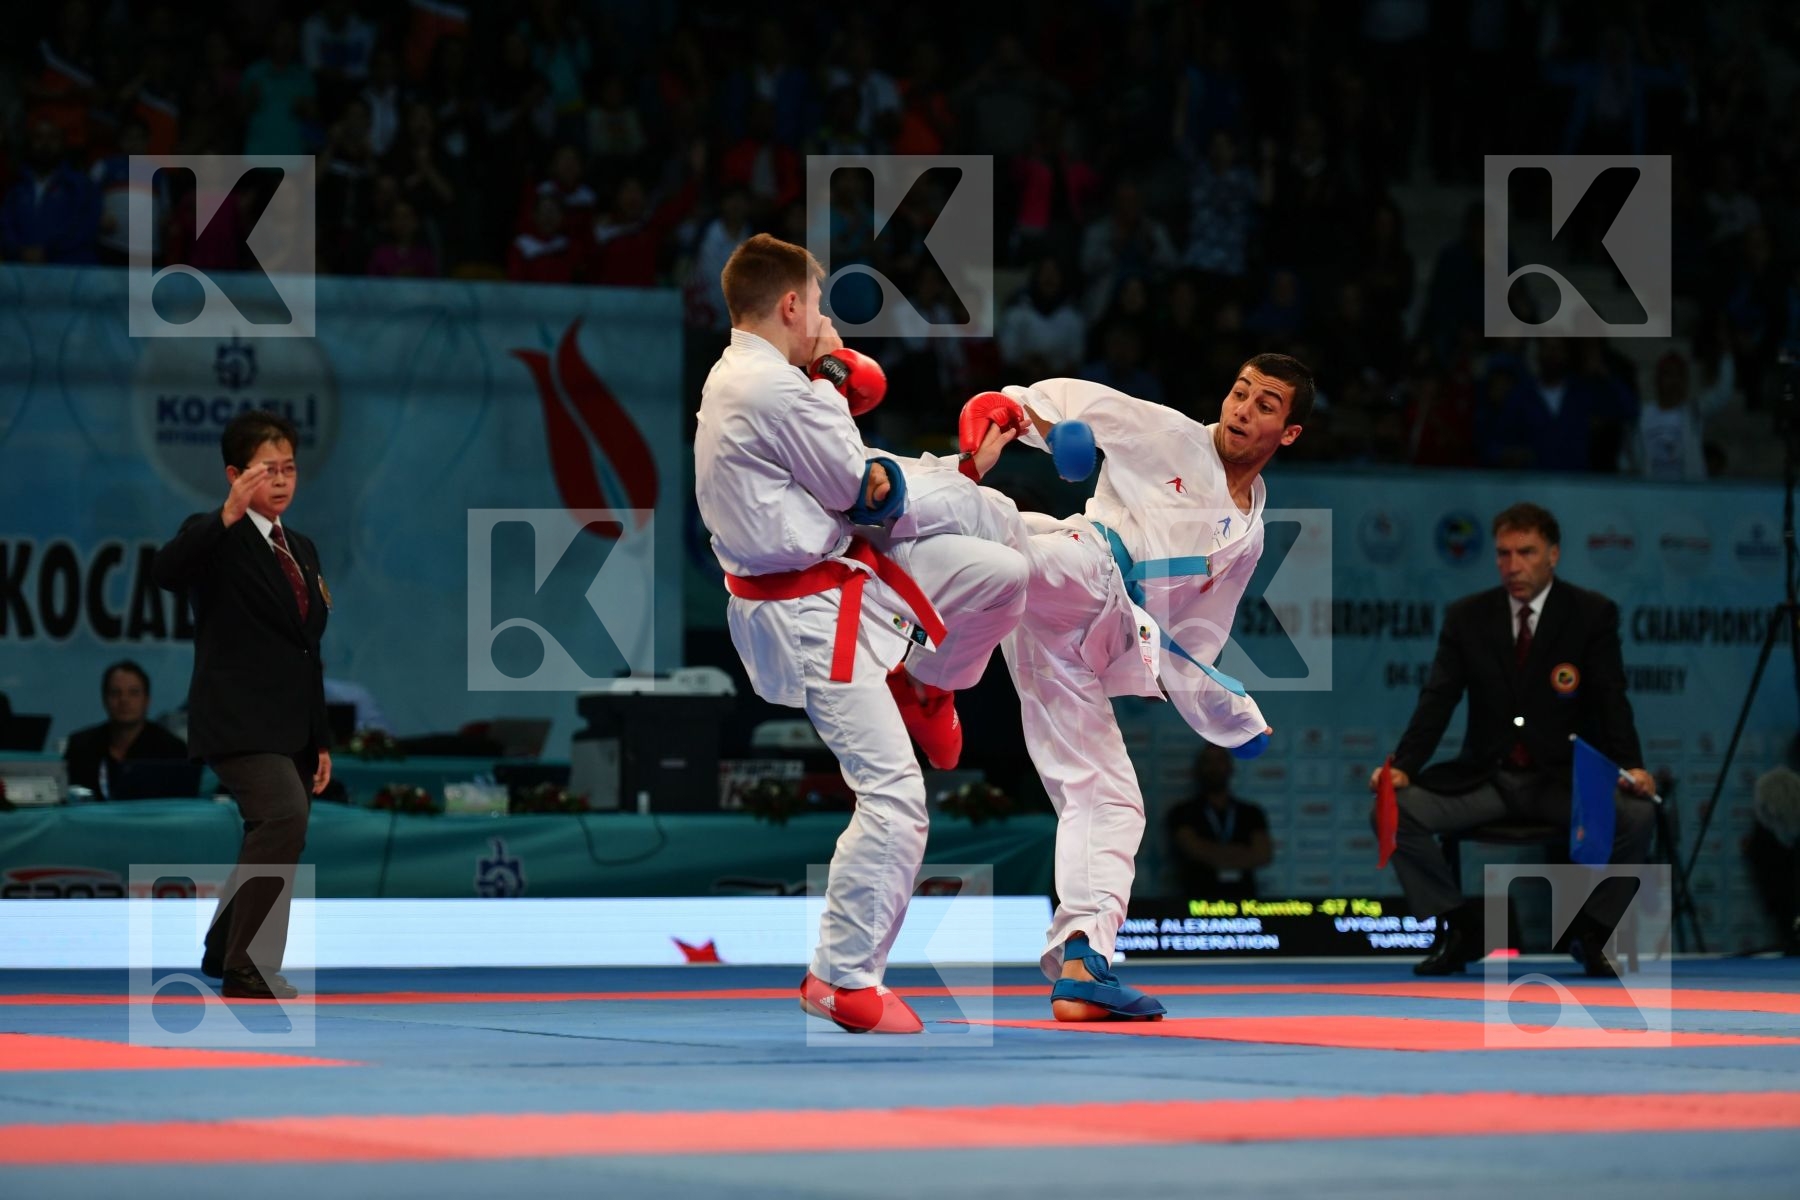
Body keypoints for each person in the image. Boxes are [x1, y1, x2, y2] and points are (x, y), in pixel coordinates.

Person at [695, 234, 1029, 1035]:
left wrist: (957, 470)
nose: (826, 322)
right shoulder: (782, 390)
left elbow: (860, 490)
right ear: (792, 305)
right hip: (813, 612)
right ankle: (841, 979)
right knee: (896, 797)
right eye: (819, 305)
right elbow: (872, 498)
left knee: (1002, 574)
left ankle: (929, 684)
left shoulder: (747, 377)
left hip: (841, 579)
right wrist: (836, 381)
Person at [974, 353, 1310, 1020]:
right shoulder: (1168, 433)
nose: (1243, 409)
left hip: (1080, 648)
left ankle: (1083, 962)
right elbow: (1024, 401)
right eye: (1240, 391)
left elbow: (1195, 643)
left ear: (1289, 432)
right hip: (1088, 564)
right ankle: (879, 513)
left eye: (1265, 404)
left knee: (1110, 799)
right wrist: (1057, 434)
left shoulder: (1247, 538)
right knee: (1012, 553)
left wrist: (1231, 716)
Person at [1371, 502, 1656, 978]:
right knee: (1393, 808)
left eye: (1526, 552)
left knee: (1638, 814)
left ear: (1553, 555)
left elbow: (1612, 698)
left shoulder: (1590, 614)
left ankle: (1592, 931)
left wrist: (1633, 766)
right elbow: (1438, 698)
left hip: (1561, 782)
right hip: (1487, 778)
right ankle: (1464, 927)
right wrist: (1404, 765)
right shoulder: (1467, 617)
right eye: (1504, 554)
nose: (1513, 565)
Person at [151, 411, 333, 1001]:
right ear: (234, 475)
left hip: (291, 725)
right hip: (236, 720)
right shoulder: (216, 535)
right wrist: (226, 514)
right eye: (265, 470)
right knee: (282, 817)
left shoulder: (301, 547)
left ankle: (224, 943)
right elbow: (166, 571)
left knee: (284, 829)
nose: (280, 481)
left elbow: (308, 651)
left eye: (289, 469)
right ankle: (247, 965)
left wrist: (320, 737)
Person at [1165, 743, 1272, 900]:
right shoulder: (1182, 812)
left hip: (1245, 906)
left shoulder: (1251, 812)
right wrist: (1240, 852)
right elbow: (1192, 849)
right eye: (1208, 761)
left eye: (1220, 761)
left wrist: (1212, 853)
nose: (1214, 767)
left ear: (1231, 767)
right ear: (1199, 769)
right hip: (1197, 906)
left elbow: (1262, 855)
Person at [62, 661, 188, 794]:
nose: (124, 700)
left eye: (133, 692)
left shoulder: (172, 751)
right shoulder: (80, 747)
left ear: (147, 700)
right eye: (115, 693)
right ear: (104, 699)